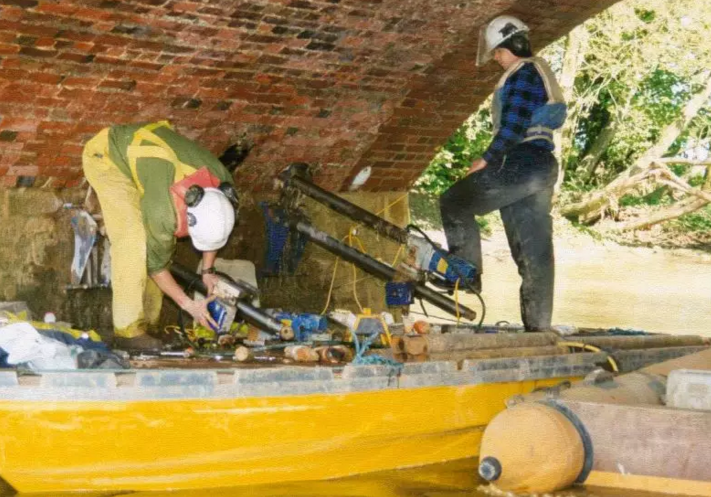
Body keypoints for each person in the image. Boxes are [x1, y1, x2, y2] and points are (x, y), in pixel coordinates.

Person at [439, 15, 567, 332]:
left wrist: (485, 159)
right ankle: (538, 329)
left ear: (515, 45)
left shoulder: (523, 73)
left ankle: (466, 276)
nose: (496, 58)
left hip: (520, 161)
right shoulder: (540, 72)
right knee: (533, 252)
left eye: (498, 51)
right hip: (541, 166)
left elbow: (513, 127)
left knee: (454, 202)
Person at [82, 120, 238, 350]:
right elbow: (156, 266)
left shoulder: (223, 188)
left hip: (150, 162)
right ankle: (129, 331)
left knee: (158, 243)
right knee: (133, 242)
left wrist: (208, 270)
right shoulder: (163, 211)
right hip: (108, 157)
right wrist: (188, 305)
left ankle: (150, 326)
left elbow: (215, 225)